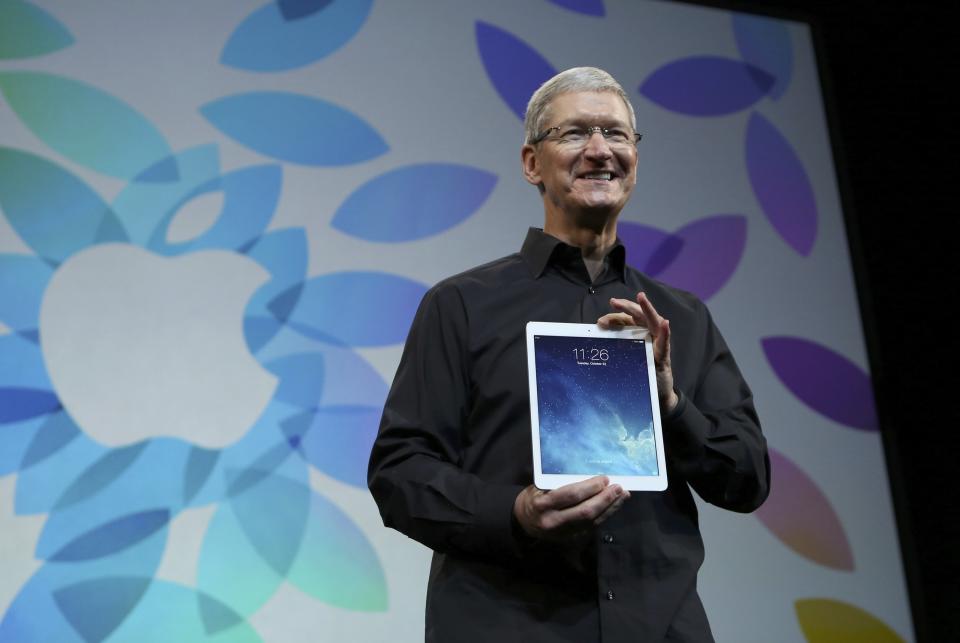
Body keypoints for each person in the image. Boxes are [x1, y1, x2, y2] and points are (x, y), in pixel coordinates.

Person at [367, 67, 770, 643]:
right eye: (576, 133)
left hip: (660, 625)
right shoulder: (462, 305)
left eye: (618, 134)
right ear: (533, 162)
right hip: (507, 622)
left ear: (636, 157)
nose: (601, 150)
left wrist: (673, 405)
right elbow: (400, 471)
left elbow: (747, 478)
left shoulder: (681, 317)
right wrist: (516, 513)